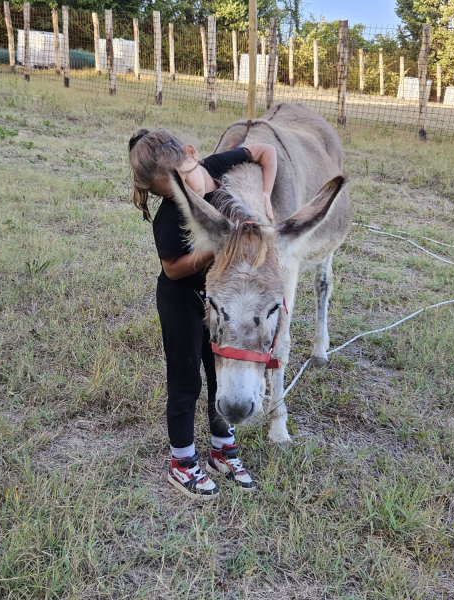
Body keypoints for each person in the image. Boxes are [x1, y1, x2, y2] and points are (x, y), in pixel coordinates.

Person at [128, 128, 278, 500]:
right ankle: (182, 462)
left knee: (218, 372)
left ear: (193, 155)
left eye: (187, 182)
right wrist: (218, 249)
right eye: (173, 192)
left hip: (217, 305)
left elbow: (264, 151)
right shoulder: (171, 215)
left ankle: (220, 450)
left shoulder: (215, 165)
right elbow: (172, 269)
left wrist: (264, 196)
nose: (187, 195)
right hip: (181, 299)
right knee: (185, 382)